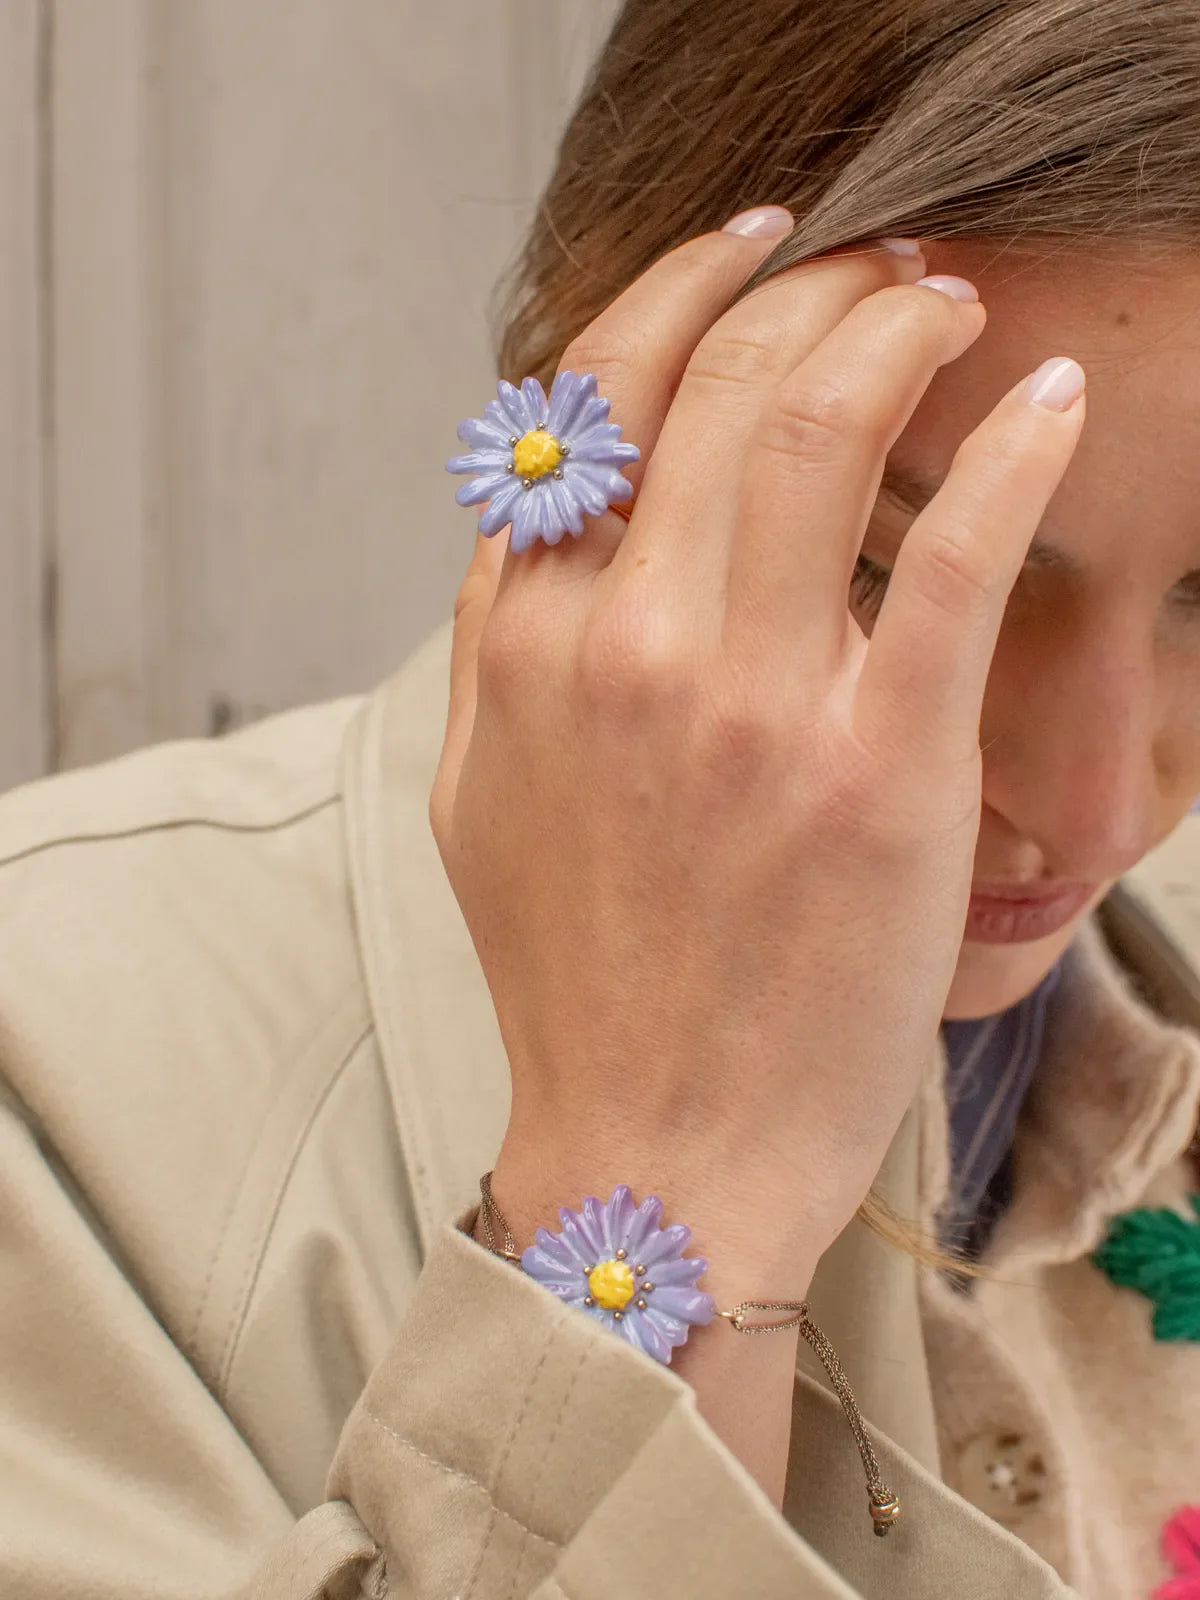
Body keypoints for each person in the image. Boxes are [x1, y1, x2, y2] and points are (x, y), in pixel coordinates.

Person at [3, 2, 1200, 1596]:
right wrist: (669, 1186)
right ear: (580, 410)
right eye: (891, 572)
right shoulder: (54, 1083)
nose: (1101, 807)